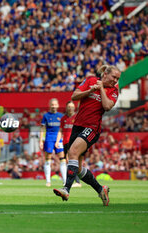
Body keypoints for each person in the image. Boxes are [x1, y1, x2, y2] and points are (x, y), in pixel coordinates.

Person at [53, 65, 120, 206]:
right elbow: (74, 96)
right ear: (105, 74)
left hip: (92, 128)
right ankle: (101, 189)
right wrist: (91, 90)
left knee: (73, 152)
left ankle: (66, 189)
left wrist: (101, 88)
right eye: (114, 77)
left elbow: (107, 106)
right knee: (77, 167)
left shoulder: (113, 90)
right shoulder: (90, 80)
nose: (115, 80)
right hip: (78, 126)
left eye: (117, 78)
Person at [39, 98, 66, 187]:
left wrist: (60, 140)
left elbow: (62, 129)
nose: (53, 106)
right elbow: (42, 128)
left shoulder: (61, 116)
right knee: (48, 160)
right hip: (49, 139)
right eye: (52, 104)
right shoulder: (46, 116)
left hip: (59, 139)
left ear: (57, 105)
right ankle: (48, 181)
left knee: (63, 160)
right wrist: (40, 141)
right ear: (49, 105)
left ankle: (65, 181)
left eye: (55, 104)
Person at [56, 101, 82, 187]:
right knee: (69, 162)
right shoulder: (63, 118)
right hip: (65, 142)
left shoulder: (77, 117)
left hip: (74, 142)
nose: (70, 108)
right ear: (66, 108)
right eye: (68, 106)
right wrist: (57, 141)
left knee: (70, 160)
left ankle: (77, 182)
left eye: (71, 106)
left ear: (74, 107)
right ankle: (75, 181)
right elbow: (60, 131)